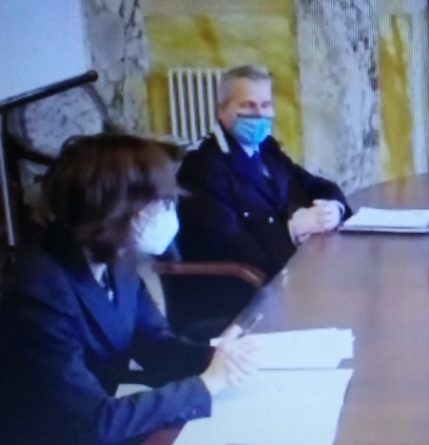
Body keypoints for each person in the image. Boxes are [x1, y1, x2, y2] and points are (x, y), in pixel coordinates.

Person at [0, 134, 259, 445]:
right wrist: (205, 385)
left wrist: (215, 357)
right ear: (114, 209)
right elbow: (92, 422)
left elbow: (154, 346)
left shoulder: (116, 258)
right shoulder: (37, 294)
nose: (168, 212)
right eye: (160, 202)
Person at [177, 65, 351, 280]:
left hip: (283, 269)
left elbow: (311, 184)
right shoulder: (202, 165)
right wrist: (291, 230)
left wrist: (333, 208)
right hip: (242, 285)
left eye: (265, 105)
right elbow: (234, 245)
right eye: (248, 105)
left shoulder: (266, 147)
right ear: (221, 111)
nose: (259, 114)